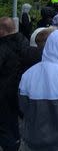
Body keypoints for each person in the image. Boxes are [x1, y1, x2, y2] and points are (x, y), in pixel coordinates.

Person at [0, 17, 31, 151]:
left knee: (5, 126)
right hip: (20, 90)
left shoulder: (3, 47)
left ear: (2, 31)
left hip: (4, 92)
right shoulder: (24, 41)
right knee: (13, 125)